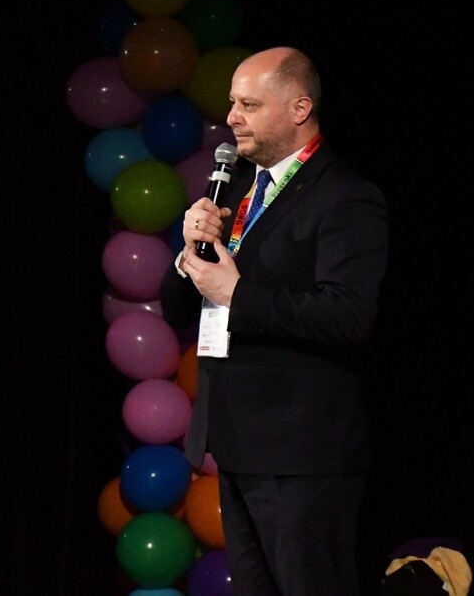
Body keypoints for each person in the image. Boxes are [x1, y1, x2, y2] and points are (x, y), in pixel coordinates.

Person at [159, 47, 388, 595]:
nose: (232, 117)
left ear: (299, 108)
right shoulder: (235, 192)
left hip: (302, 456)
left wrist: (238, 293)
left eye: (249, 105)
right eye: (232, 103)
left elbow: (348, 315)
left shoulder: (346, 197)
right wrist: (189, 251)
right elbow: (178, 308)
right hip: (238, 447)